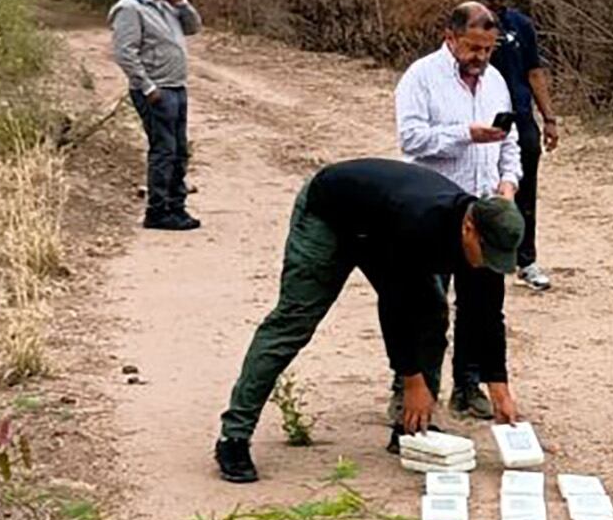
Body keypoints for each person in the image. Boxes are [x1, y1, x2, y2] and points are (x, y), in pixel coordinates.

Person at [213, 158, 526, 483]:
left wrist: (498, 388)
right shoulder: (419, 222)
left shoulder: (489, 240)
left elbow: (487, 316)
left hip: (382, 229)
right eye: (487, 254)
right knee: (294, 321)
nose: (491, 263)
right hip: (331, 214)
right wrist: (412, 382)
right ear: (469, 228)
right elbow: (395, 304)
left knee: (431, 316)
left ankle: (413, 428)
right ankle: (234, 436)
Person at [394, 2, 522, 422]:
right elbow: (411, 139)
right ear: (451, 37)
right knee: (425, 303)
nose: (481, 58)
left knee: (484, 304)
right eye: (473, 48)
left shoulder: (496, 81)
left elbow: (510, 142)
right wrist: (466, 135)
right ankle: (410, 386)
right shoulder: (421, 77)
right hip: (435, 212)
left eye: (488, 49)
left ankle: (468, 385)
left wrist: (508, 184)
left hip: (485, 210)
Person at [475, 0, 561, 292]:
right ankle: (475, 256)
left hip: (520, 116)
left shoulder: (521, 26)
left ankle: (526, 260)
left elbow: (534, 72)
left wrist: (548, 118)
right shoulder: (468, 27)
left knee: (524, 189)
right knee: (481, 186)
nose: (496, 3)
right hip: (483, 118)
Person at [108, 0, 202, 231]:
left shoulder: (163, 3)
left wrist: (180, 1)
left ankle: (176, 206)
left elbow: (193, 26)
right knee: (164, 151)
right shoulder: (129, 8)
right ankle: (158, 211)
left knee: (179, 151)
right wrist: (147, 87)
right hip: (157, 90)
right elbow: (125, 53)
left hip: (176, 86)